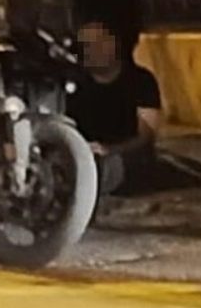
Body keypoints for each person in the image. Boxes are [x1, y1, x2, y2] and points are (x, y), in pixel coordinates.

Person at [67, 20, 162, 198]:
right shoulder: (73, 83)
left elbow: (146, 135)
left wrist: (109, 150)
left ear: (113, 44)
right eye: (84, 46)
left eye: (97, 44)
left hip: (122, 156)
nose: (91, 51)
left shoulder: (141, 80)